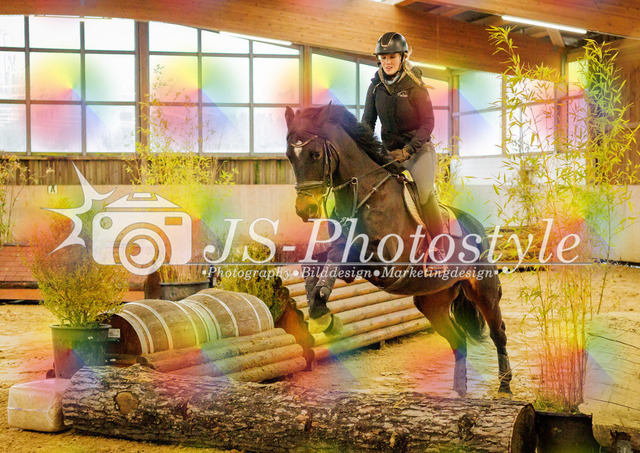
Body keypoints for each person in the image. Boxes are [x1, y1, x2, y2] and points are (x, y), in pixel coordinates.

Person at [362, 31, 448, 268]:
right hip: (390, 154)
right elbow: (368, 122)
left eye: (392, 57)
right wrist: (367, 149)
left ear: (402, 57)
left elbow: (428, 123)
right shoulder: (375, 87)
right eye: (383, 57)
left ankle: (439, 248)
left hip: (418, 151)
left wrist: (409, 150)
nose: (387, 62)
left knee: (425, 194)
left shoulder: (414, 84)